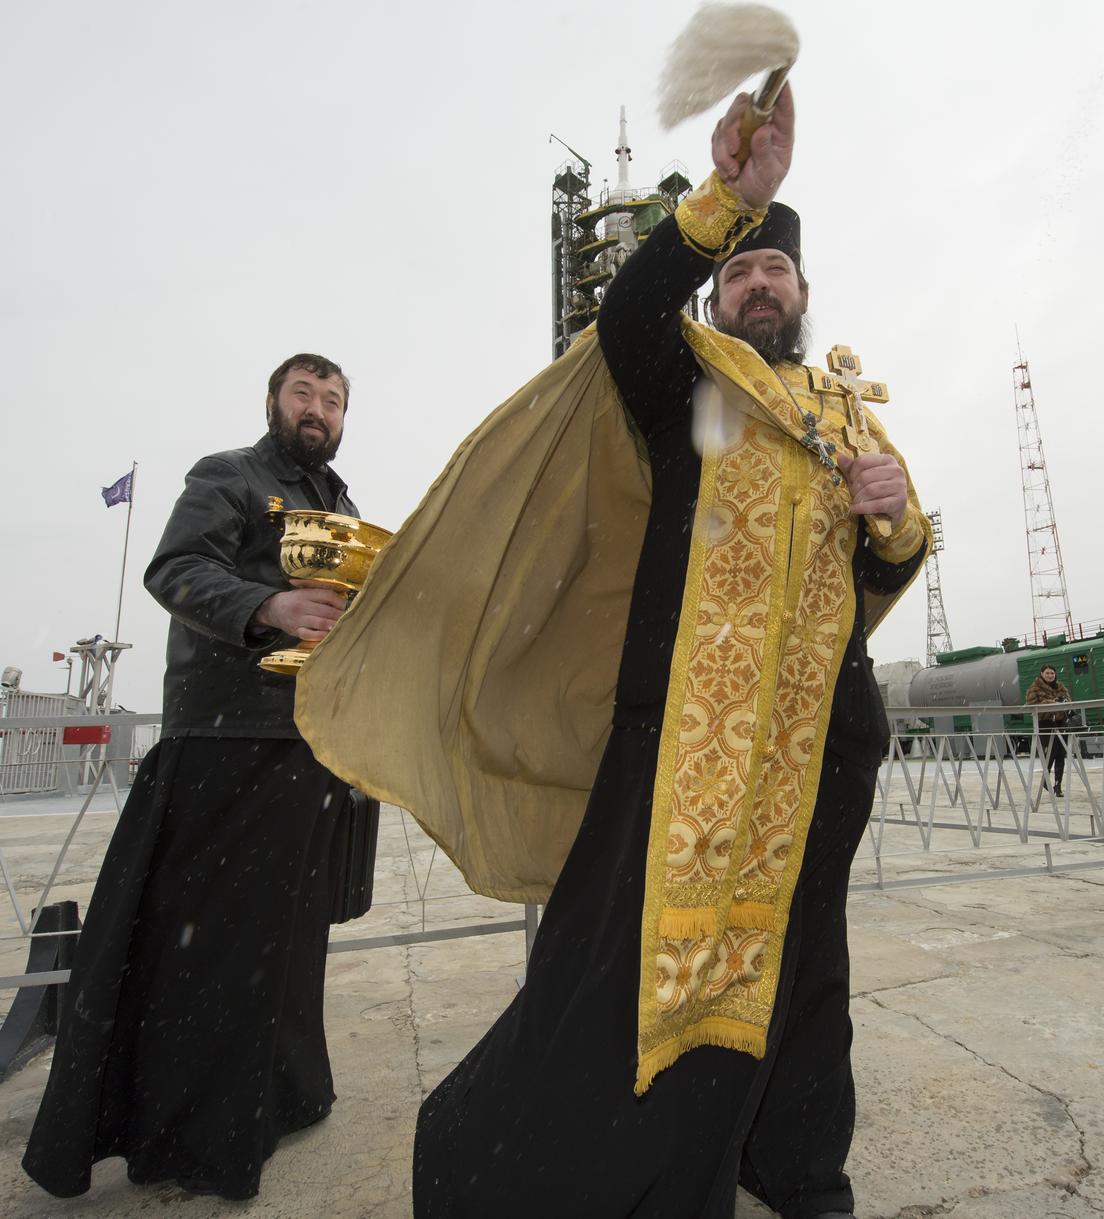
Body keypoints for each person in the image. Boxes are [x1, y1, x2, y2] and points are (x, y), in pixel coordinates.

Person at [297, 85, 928, 1219]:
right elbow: (628, 312)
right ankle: (578, 1173)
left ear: (800, 289)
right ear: (720, 293)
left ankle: (791, 1162)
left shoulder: (849, 416)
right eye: (739, 272)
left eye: (771, 271)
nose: (756, 284)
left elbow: (868, 581)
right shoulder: (685, 381)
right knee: (624, 968)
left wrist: (892, 521)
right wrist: (730, 199)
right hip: (676, 736)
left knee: (803, 964)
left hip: (821, 743)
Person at [23, 354, 359, 1200]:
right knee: (211, 950)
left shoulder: (343, 508)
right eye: (303, 393)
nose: (316, 409)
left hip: (309, 744)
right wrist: (267, 606)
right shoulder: (231, 477)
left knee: (286, 941)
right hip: (226, 740)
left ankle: (282, 1096)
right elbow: (174, 568)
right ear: (274, 402)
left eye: (332, 399)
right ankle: (197, 1134)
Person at [1026, 663, 1071, 797]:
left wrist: (1063, 702)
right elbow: (1032, 705)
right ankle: (1046, 780)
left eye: (1052, 673)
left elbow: (1069, 701)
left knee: (1061, 755)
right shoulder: (1034, 689)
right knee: (1050, 753)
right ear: (1042, 674)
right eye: (1047, 673)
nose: (1050, 675)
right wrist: (1052, 703)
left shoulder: (1061, 687)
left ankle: (1058, 785)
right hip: (1045, 723)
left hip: (1061, 723)